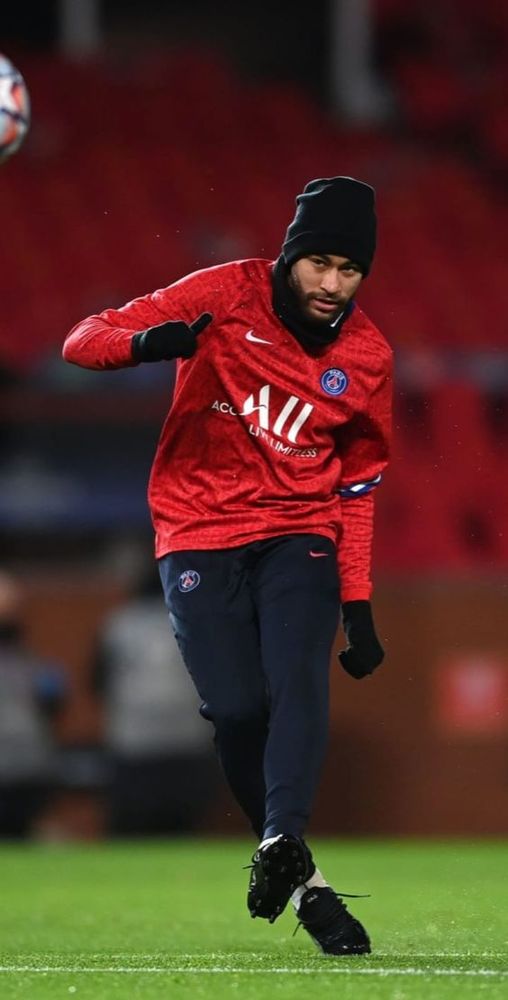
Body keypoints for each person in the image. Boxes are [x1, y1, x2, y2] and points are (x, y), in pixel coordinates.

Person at [63, 176, 392, 955]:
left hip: (299, 529)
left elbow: (357, 487)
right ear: (290, 256)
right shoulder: (221, 293)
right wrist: (148, 345)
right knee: (237, 711)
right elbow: (82, 340)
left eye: (349, 270)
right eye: (320, 263)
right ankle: (306, 883)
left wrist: (358, 601)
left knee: (297, 680)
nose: (332, 284)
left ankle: (280, 835)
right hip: (197, 528)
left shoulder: (368, 355)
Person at [93, 566, 218, 835]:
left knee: (132, 828)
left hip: (134, 741)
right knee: (183, 827)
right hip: (189, 738)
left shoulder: (118, 624)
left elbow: (97, 682)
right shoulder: (196, 619)